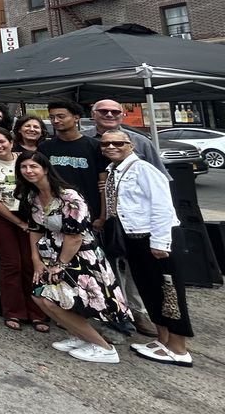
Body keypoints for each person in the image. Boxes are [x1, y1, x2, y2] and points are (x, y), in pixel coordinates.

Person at [17, 150, 130, 364]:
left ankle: (104, 348)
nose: (28, 171)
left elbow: (75, 237)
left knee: (53, 300)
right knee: (41, 296)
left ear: (45, 169)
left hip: (78, 257)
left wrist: (60, 265)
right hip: (51, 255)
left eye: (33, 166)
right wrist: (35, 259)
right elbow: (35, 228)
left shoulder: (69, 196)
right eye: (24, 167)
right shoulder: (33, 196)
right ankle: (82, 337)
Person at [98, 131, 194, 366]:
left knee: (169, 292)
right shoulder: (113, 171)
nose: (111, 146)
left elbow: (162, 207)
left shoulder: (145, 169)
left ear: (130, 145)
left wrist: (160, 242)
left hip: (157, 237)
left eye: (118, 143)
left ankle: (179, 348)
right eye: (106, 143)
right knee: (149, 289)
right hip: (134, 238)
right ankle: (163, 340)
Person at [85, 98, 167, 337]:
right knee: (108, 266)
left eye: (114, 111)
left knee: (137, 269)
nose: (109, 114)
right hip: (103, 217)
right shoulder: (89, 141)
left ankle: (137, 311)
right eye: (103, 111)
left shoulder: (140, 141)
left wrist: (162, 231)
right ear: (93, 114)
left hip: (138, 222)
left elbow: (161, 182)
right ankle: (115, 310)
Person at [0, 127, 48, 332]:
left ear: (11, 141)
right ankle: (14, 311)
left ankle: (38, 312)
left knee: (32, 263)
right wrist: (18, 223)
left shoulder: (24, 160)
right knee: (11, 263)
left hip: (30, 214)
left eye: (2, 141)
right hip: (1, 217)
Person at [38, 102, 106, 231]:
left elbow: (103, 183)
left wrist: (102, 216)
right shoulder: (45, 148)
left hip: (90, 211)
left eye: (61, 116)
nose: (56, 121)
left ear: (76, 117)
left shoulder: (94, 146)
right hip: (57, 211)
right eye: (52, 117)